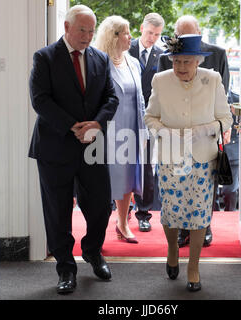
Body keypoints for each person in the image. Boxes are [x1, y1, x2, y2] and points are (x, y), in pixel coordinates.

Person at [28, 5, 119, 295]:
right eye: (82, 30)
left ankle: (93, 251)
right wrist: (73, 126)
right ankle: (65, 267)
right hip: (55, 145)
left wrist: (97, 124)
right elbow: (40, 100)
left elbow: (111, 97)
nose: (88, 36)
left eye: (92, 30)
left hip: (93, 145)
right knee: (57, 210)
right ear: (67, 28)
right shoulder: (44, 57)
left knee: (102, 204)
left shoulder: (101, 59)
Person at [145, 34, 233, 291]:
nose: (181, 67)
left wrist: (206, 129)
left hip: (203, 159)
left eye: (186, 61)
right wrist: (163, 131)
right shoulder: (161, 80)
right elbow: (150, 117)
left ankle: (193, 266)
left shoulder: (212, 79)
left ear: (198, 61)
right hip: (171, 159)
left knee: (199, 214)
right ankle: (172, 249)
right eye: (176, 61)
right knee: (171, 213)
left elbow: (225, 119)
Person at [158, 15, 231, 247]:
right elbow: (160, 100)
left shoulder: (217, 55)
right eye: (180, 35)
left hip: (206, 136)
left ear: (199, 32)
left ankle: (204, 226)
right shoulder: (164, 61)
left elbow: (224, 96)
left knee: (205, 188)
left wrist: (218, 128)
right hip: (174, 142)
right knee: (176, 189)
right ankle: (181, 230)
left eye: (190, 35)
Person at [94, 16, 147, 244]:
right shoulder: (98, 62)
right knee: (104, 180)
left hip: (131, 129)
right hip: (107, 131)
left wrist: (143, 129)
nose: (130, 37)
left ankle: (123, 223)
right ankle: (97, 229)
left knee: (128, 177)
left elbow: (141, 98)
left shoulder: (133, 62)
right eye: (126, 33)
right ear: (113, 36)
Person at [128, 13, 165, 232]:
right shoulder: (126, 48)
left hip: (149, 117)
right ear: (142, 28)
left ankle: (144, 213)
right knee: (121, 163)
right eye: (150, 32)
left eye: (157, 35)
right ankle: (121, 211)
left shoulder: (162, 55)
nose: (152, 38)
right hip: (125, 113)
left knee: (145, 165)